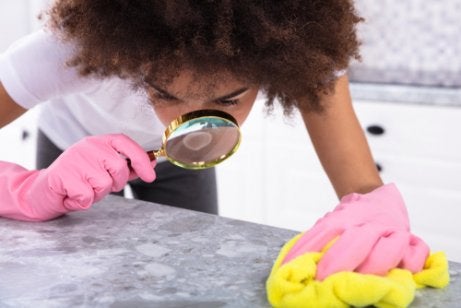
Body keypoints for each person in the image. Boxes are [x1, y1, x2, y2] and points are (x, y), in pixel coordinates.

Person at [0, 0, 429, 280]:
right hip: (69, 147)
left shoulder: (300, 48)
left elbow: (362, 188)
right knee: (71, 273)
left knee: (186, 270)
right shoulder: (64, 51)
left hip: (175, 162)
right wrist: (27, 191)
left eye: (229, 98)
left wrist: (375, 212)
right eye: (164, 93)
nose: (193, 120)